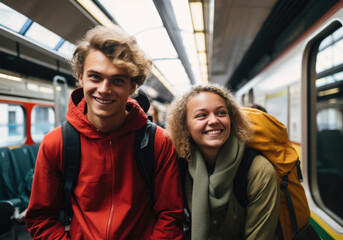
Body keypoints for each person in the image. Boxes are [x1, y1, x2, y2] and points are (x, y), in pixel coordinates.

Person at [25, 25, 184, 239]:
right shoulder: (57, 143)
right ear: (81, 78)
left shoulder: (157, 142)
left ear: (132, 86)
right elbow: (41, 218)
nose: (104, 89)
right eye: (95, 77)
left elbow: (170, 216)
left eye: (117, 80)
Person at [166, 83, 280, 240]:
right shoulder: (177, 165)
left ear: (231, 119)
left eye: (221, 113)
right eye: (201, 115)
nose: (213, 121)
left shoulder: (259, 171)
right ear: (184, 127)